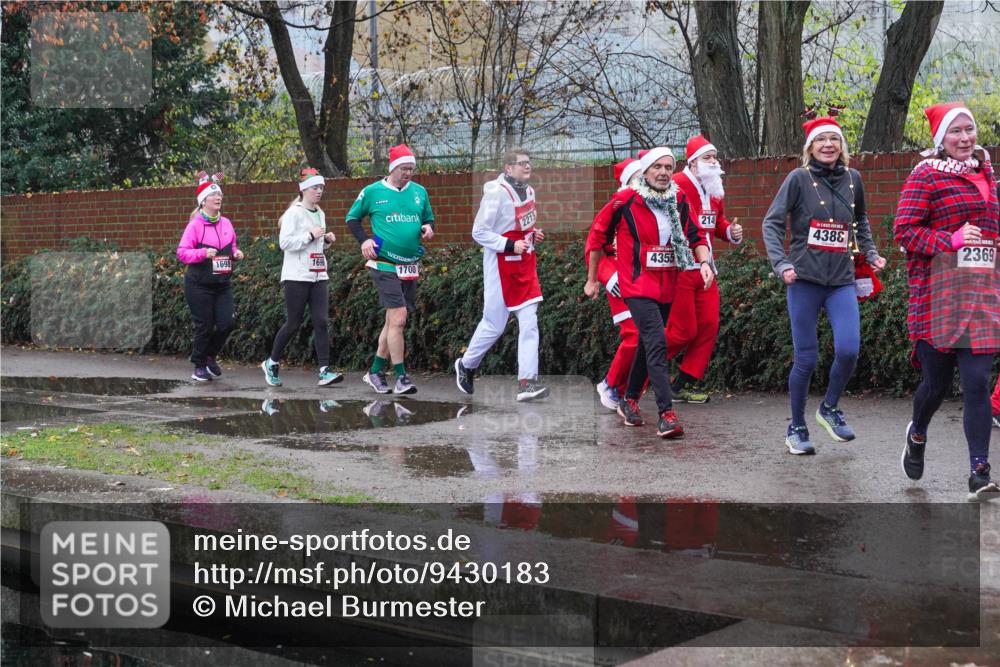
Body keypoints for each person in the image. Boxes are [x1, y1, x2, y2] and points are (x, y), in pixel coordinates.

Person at [762, 117, 886, 455]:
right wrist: (781, 263)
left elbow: (860, 221)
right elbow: (771, 223)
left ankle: (829, 408)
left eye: (835, 139)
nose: (829, 145)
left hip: (841, 282)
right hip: (803, 281)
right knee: (806, 358)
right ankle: (796, 427)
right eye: (822, 140)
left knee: (848, 350)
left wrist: (871, 253)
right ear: (810, 148)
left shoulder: (853, 179)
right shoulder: (798, 179)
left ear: (842, 146)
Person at [895, 102, 1000, 498]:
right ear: (941, 139)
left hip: (981, 294)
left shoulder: (987, 175)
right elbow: (904, 231)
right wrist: (949, 240)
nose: (965, 138)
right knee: (935, 386)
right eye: (955, 132)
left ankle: (979, 472)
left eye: (969, 130)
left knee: (977, 383)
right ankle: (918, 433)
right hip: (937, 295)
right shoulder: (925, 177)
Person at [585, 147, 713, 438]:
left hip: (668, 283)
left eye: (669, 167)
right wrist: (593, 279)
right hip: (636, 284)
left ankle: (629, 399)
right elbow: (597, 237)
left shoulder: (679, 199)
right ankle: (666, 413)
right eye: (657, 167)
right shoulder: (626, 199)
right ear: (645, 171)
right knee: (656, 341)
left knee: (647, 343)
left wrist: (704, 262)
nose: (664, 172)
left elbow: (695, 235)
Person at [454, 148, 549, 401]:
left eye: (529, 163)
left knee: (530, 322)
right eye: (521, 164)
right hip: (499, 264)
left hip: (524, 263)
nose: (527, 167)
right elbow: (479, 232)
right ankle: (467, 364)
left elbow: (521, 228)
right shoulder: (496, 192)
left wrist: (533, 235)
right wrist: (509, 245)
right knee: (494, 324)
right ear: (508, 168)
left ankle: (527, 382)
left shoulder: (529, 191)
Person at [346, 144, 435, 395]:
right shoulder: (373, 192)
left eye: (412, 169)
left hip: (409, 265)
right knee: (399, 318)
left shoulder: (419, 192)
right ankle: (401, 377)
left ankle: (375, 371)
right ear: (393, 167)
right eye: (404, 168)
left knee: (392, 322)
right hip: (383, 262)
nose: (408, 173)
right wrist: (364, 240)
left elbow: (428, 219)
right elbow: (352, 218)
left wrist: (428, 228)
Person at [667, 136, 745, 403]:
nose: (714, 162)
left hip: (706, 268)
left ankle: (681, 385)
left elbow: (717, 222)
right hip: (680, 268)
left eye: (715, 157)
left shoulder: (714, 184)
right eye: (707, 158)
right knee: (682, 331)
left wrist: (730, 231)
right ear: (692, 162)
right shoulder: (677, 184)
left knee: (709, 325)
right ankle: (637, 369)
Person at [260, 168, 342, 388]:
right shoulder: (294, 213)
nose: (319, 191)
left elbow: (316, 245)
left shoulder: (320, 213)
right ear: (304, 189)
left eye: (321, 188)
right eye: (315, 187)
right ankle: (272, 362)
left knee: (321, 321)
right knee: (294, 323)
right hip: (297, 275)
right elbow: (285, 243)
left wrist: (326, 241)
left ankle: (324, 371)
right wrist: (310, 235)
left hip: (318, 274)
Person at [177, 171, 243, 382]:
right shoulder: (195, 225)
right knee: (204, 325)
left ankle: (209, 355)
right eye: (214, 196)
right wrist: (202, 253)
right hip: (198, 284)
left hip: (222, 284)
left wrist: (235, 254)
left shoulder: (227, 223)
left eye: (220, 196)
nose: (218, 198)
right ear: (203, 201)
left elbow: (231, 246)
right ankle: (199, 365)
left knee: (228, 323)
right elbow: (182, 253)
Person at [594, 157, 643, 410]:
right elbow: (594, 246)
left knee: (648, 337)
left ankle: (625, 389)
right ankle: (610, 384)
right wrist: (606, 276)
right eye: (637, 178)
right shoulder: (615, 207)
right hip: (619, 281)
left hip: (643, 280)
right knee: (634, 334)